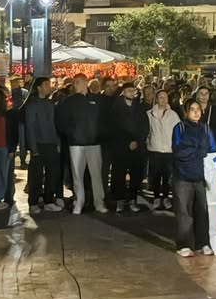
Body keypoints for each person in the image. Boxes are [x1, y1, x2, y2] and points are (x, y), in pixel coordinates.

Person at [171, 101, 216, 257]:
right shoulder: (180, 128)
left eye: (198, 109)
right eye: (192, 109)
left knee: (203, 211)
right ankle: (184, 244)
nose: (196, 112)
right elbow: (178, 150)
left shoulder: (205, 128)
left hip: (201, 177)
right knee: (184, 211)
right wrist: (197, 149)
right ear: (186, 112)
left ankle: (203, 242)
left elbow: (212, 150)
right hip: (183, 176)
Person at [56, 75, 105, 214]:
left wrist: (98, 134)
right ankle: (79, 202)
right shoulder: (68, 102)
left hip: (93, 143)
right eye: (75, 82)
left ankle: (98, 202)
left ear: (85, 83)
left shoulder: (94, 100)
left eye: (78, 82)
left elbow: (101, 120)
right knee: (77, 175)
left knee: (96, 175)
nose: (76, 85)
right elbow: (61, 122)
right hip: (76, 143)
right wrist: (71, 134)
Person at [103, 83, 149, 212]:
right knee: (119, 174)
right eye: (128, 91)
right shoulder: (115, 108)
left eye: (133, 91)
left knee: (136, 174)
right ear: (123, 92)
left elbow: (144, 126)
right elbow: (113, 127)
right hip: (120, 147)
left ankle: (133, 198)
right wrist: (126, 141)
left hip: (137, 147)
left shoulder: (138, 108)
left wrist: (137, 140)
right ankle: (119, 200)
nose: (131, 93)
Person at [22, 78, 63, 212]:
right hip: (38, 144)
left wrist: (57, 142)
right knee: (36, 175)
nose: (49, 87)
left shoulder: (50, 104)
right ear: (38, 87)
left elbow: (54, 124)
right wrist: (33, 148)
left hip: (51, 143)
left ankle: (48, 200)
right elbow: (30, 127)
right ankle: (33, 203)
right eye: (46, 85)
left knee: (52, 173)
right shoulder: (32, 104)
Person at [145, 89, 181, 213]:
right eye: (161, 97)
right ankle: (156, 197)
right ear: (157, 99)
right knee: (155, 175)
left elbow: (178, 131)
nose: (163, 100)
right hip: (154, 149)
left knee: (166, 176)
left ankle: (165, 197)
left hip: (168, 150)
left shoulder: (173, 115)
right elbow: (147, 130)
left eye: (165, 97)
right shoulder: (149, 114)